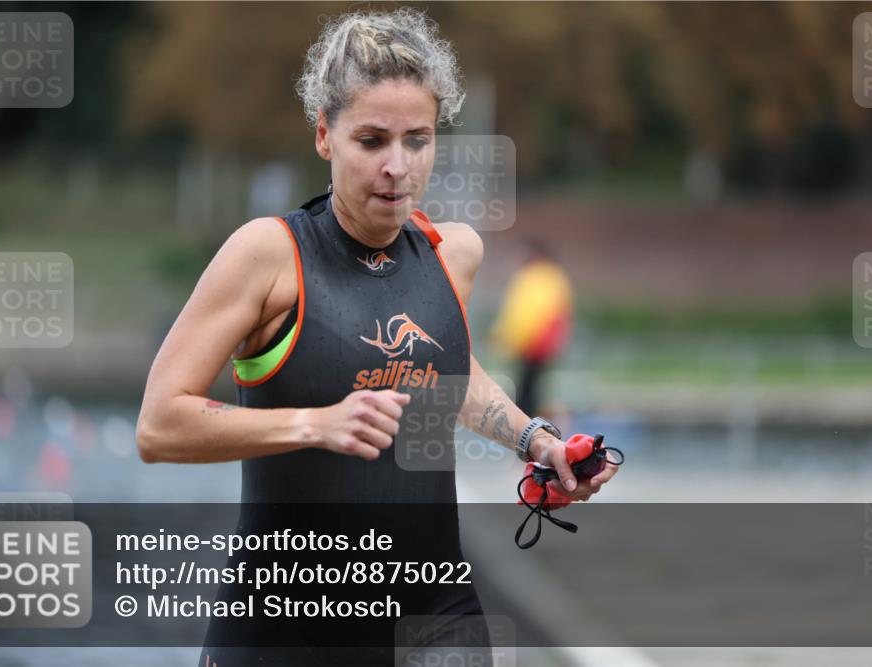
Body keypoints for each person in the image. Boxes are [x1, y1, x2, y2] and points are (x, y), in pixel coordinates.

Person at [135, 8, 618, 666]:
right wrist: (314, 424)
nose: (397, 166)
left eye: (417, 140)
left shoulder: (454, 254)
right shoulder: (268, 256)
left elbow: (451, 374)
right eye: (371, 140)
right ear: (324, 136)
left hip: (435, 617)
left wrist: (537, 441)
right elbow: (160, 425)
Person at [491, 239, 574, 415]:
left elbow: (524, 313)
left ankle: (524, 428)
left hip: (531, 342)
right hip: (543, 343)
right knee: (533, 387)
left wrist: (507, 339)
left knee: (525, 390)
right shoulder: (554, 276)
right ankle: (531, 425)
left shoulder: (532, 277)